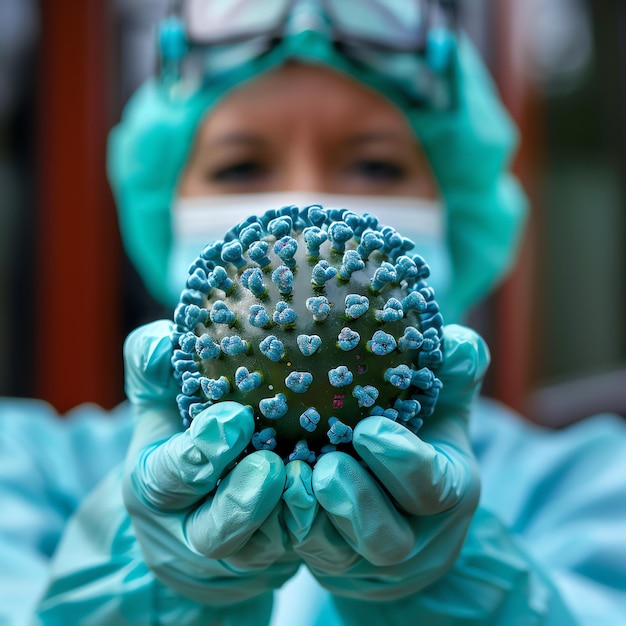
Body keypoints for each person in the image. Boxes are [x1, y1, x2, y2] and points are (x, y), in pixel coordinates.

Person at [1, 1, 625, 624]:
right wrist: (147, 582)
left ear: (456, 209)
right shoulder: (24, 468)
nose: (305, 215)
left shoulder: (595, 488)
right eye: (240, 167)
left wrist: (465, 592)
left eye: (375, 165)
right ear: (162, 206)